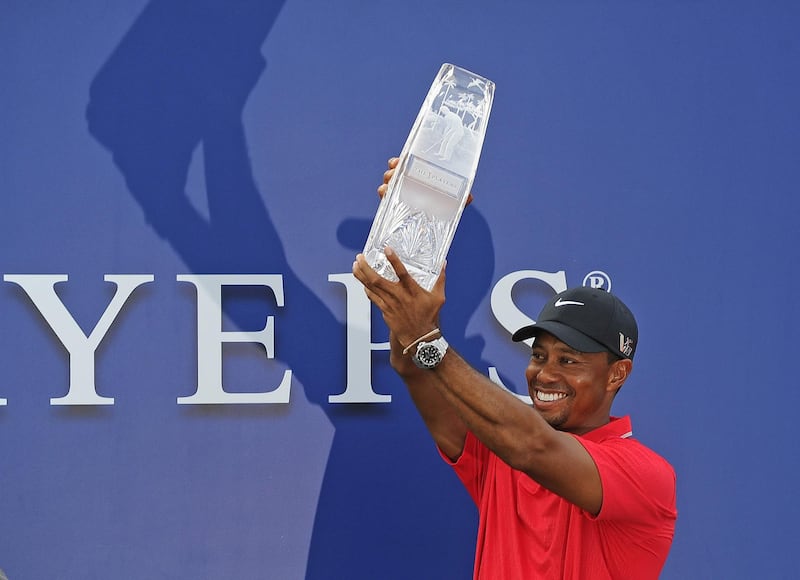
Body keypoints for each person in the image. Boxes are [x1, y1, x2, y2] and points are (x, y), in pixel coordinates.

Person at [351, 158, 677, 579]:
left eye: (569, 360)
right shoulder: (498, 449)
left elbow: (532, 446)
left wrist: (426, 339)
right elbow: (413, 367)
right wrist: (419, 247)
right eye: (539, 356)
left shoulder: (644, 476)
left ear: (617, 374)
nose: (545, 373)